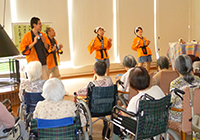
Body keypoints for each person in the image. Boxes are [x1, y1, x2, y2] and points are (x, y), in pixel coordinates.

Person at [113, 67, 165, 138]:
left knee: (116, 115)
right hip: (159, 125)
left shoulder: (136, 99)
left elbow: (129, 116)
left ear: (132, 83)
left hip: (141, 129)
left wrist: (123, 110)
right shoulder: (157, 89)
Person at [77, 61, 113, 138]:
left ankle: (85, 128)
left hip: (94, 109)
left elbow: (80, 92)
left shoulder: (92, 84)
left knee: (80, 103)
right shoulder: (109, 80)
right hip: (108, 107)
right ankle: (106, 124)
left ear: (94, 71)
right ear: (106, 70)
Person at [169, 54, 200, 123]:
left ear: (176, 68)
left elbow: (174, 103)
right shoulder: (198, 79)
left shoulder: (175, 84)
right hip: (197, 114)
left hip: (181, 117)